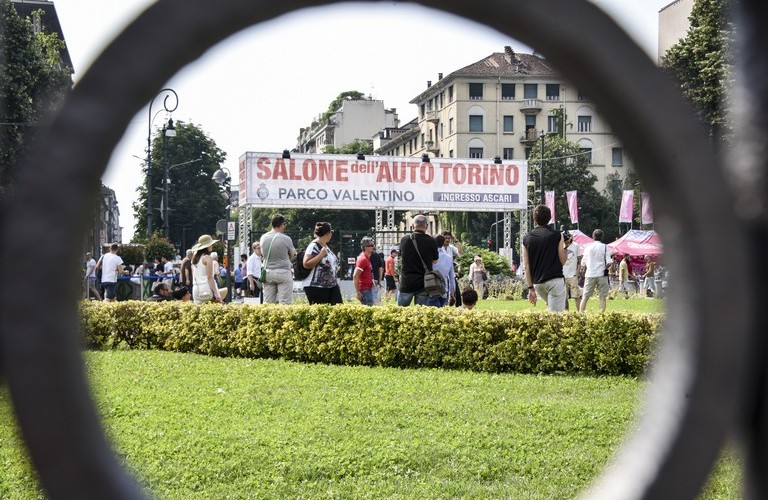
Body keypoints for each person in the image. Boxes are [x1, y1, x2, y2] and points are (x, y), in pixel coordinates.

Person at [522, 205, 567, 311]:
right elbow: (563, 260)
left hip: (538, 283)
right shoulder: (557, 235)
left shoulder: (526, 238)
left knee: (551, 309)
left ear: (535, 219)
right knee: (556, 317)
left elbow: (526, 266)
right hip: (554, 280)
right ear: (550, 218)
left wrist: (530, 288)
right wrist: (566, 247)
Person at [397, 214, 439, 306]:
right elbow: (435, 261)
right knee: (419, 315)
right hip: (424, 283)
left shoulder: (404, 239)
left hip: (406, 282)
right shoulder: (432, 241)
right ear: (426, 226)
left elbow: (401, 256)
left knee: (399, 312)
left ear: (412, 226)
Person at [301, 221, 343, 305]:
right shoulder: (313, 246)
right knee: (321, 313)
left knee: (339, 310)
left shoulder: (325, 246)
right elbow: (306, 264)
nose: (332, 234)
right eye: (331, 232)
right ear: (327, 233)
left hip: (331, 286)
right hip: (316, 286)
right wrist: (320, 255)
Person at [259, 214, 297, 304]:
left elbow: (263, 254)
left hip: (268, 273)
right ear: (281, 225)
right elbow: (292, 255)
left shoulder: (263, 238)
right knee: (285, 303)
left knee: (268, 303)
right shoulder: (286, 238)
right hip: (283, 272)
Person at [579, 228, 614, 312]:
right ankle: (601, 315)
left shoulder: (588, 247)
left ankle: (581, 314)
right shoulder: (605, 247)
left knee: (585, 296)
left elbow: (583, 262)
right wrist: (606, 267)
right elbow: (609, 262)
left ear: (593, 237)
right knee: (602, 297)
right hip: (601, 274)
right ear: (602, 237)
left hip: (590, 274)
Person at [191, 234, 227, 304]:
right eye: (211, 244)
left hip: (196, 288)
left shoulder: (194, 259)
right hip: (206, 288)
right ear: (207, 246)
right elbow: (210, 277)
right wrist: (216, 293)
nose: (212, 246)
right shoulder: (208, 258)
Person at [427, 234, 456, 307]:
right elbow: (452, 277)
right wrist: (452, 293)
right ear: (443, 243)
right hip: (444, 288)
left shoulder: (430, 256)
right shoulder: (449, 257)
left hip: (431, 286)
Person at [353, 237, 376, 306]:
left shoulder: (366, 258)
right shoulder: (363, 259)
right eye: (371, 245)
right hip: (365, 290)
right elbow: (355, 275)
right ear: (365, 247)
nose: (373, 247)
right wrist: (357, 292)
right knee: (369, 311)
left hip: (368, 289)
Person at [562, 234, 581, 309]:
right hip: (562, 275)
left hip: (573, 274)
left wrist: (577, 273)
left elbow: (579, 260)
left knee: (576, 295)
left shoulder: (576, 246)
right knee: (564, 297)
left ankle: (579, 314)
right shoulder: (560, 246)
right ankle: (566, 314)